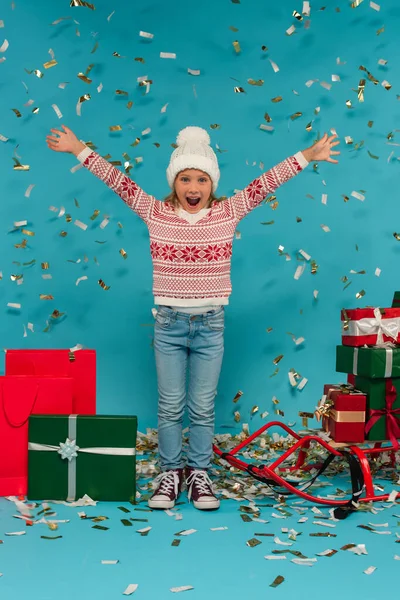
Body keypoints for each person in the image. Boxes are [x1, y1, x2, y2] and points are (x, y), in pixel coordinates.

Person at [46, 124, 340, 510]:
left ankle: (198, 474)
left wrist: (308, 156)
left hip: (210, 326)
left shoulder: (227, 212)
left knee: (201, 407)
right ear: (175, 182)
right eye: (186, 178)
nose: (193, 186)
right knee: (170, 406)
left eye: (201, 178)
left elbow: (265, 183)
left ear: (211, 184)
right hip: (168, 326)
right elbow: (119, 182)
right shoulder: (155, 212)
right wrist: (78, 147)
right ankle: (170, 473)